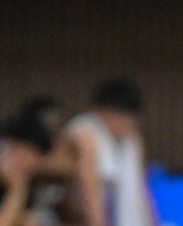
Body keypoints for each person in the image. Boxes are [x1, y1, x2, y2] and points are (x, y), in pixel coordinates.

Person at [61, 84, 149, 226]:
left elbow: (141, 192)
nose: (126, 124)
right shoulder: (85, 134)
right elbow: (89, 192)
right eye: (121, 118)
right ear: (103, 112)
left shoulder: (132, 141)